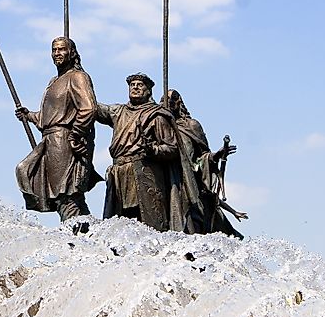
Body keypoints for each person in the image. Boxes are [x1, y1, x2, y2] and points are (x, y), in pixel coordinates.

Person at [14, 37, 103, 227]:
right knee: (66, 196)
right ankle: (93, 236)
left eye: (61, 49)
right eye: (54, 50)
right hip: (50, 141)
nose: (57, 54)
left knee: (66, 194)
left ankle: (76, 240)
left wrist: (75, 134)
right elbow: (49, 119)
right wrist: (29, 115)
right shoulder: (54, 81)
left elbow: (88, 108)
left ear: (72, 53)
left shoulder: (77, 77)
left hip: (64, 143)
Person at [95, 73, 177, 231]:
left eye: (140, 85)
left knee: (149, 227)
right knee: (116, 228)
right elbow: (94, 107)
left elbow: (172, 147)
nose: (135, 87)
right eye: (132, 85)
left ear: (148, 91)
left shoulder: (156, 115)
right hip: (119, 174)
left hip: (143, 172)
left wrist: (153, 149)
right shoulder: (118, 111)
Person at [167, 89, 247, 238]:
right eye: (164, 99)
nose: (168, 102)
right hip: (166, 182)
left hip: (189, 183)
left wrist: (216, 155)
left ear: (179, 103)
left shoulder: (191, 126)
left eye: (173, 99)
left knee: (194, 225)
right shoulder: (161, 127)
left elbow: (204, 155)